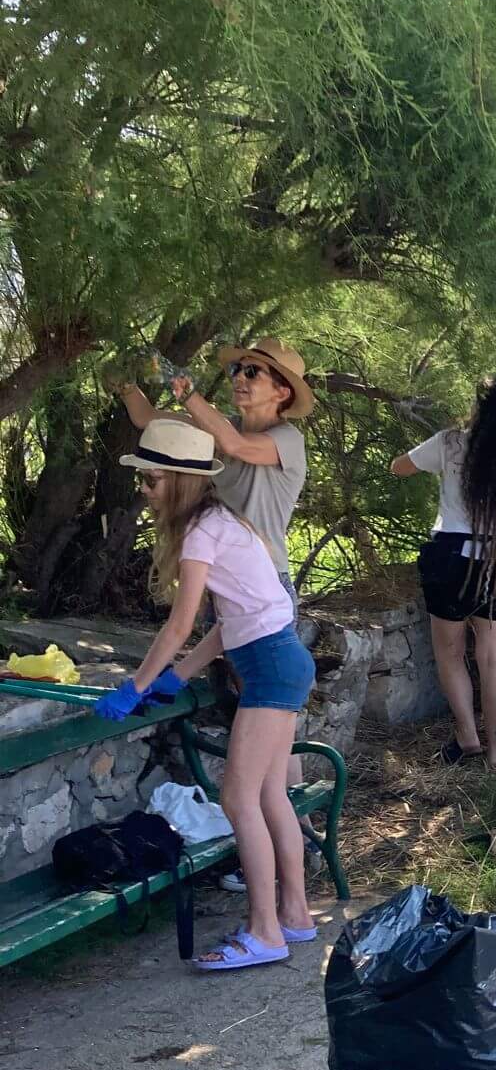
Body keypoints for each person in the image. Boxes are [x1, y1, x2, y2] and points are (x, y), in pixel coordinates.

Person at [96, 416, 317, 973]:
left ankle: (266, 931)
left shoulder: (201, 532)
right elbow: (226, 627)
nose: (144, 492)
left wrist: (135, 686)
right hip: (282, 660)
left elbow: (178, 625)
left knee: (239, 799)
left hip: (269, 669)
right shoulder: (224, 522)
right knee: (269, 797)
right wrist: (176, 677)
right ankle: (295, 915)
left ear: (177, 480)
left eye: (149, 480)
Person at [391, 379, 496, 768]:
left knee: (450, 653)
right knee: (493, 658)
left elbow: (399, 467)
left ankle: (467, 737)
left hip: (451, 558)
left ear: (475, 407)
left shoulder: (449, 442)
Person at [118, 338, 312, 595]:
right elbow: (146, 418)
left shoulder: (288, 439)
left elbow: (236, 445)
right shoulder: (222, 429)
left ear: (282, 393)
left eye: (252, 372)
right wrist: (123, 384)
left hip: (264, 579)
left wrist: (187, 393)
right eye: (236, 370)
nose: (239, 377)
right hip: (222, 577)